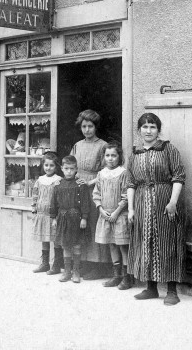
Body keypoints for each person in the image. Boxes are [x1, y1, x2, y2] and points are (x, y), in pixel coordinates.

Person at [127, 113, 186, 305]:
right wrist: (131, 209)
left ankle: (171, 291)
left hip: (164, 201)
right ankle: (151, 288)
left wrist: (173, 202)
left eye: (152, 127)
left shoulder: (168, 149)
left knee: (167, 243)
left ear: (158, 130)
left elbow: (178, 176)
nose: (148, 131)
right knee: (146, 242)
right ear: (139, 130)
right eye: (144, 127)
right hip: (142, 203)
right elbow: (131, 183)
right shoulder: (134, 154)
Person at [70, 109, 111, 279]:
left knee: (94, 224)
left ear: (96, 127)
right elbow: (71, 165)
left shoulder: (103, 146)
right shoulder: (77, 145)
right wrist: (75, 179)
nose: (87, 130)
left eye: (90, 126)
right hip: (79, 188)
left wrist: (90, 182)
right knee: (81, 225)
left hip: (95, 188)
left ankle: (99, 266)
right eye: (84, 126)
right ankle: (84, 263)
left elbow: (106, 169)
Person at [93, 142, 132, 290]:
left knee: (122, 245)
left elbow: (126, 195)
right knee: (112, 244)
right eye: (107, 155)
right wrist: (101, 209)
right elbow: (96, 193)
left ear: (119, 157)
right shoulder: (101, 174)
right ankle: (117, 276)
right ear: (103, 157)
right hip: (106, 214)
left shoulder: (123, 173)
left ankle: (127, 277)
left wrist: (116, 212)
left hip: (119, 215)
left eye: (113, 155)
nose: (110, 158)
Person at [52, 155, 90, 283]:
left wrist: (84, 218)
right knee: (66, 245)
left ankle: (76, 271)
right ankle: (67, 272)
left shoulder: (80, 185)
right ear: (62, 168)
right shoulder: (58, 185)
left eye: (71, 169)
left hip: (76, 219)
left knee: (77, 245)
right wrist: (54, 218)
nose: (69, 171)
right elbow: (54, 203)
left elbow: (85, 203)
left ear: (76, 169)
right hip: (62, 218)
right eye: (66, 168)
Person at [31, 152, 64, 274]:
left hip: (53, 215)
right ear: (42, 166)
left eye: (51, 165)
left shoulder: (58, 180)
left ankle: (56, 264)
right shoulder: (40, 180)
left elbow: (60, 198)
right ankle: (45, 263)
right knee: (44, 238)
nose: (48, 168)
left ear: (56, 167)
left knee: (55, 238)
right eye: (46, 165)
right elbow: (35, 195)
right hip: (41, 214)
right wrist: (34, 209)